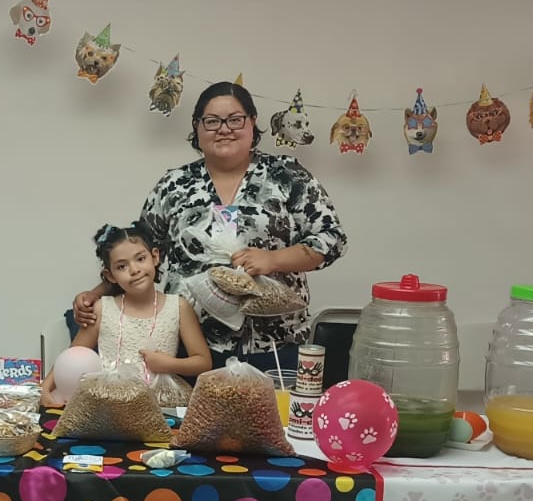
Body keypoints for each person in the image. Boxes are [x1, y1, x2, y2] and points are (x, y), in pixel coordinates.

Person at [74, 80, 347, 371]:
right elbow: (139, 252)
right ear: (197, 127)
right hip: (187, 345)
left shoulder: (286, 175)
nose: (224, 129)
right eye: (212, 121)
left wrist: (273, 259)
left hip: (273, 343)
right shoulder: (174, 185)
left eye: (235, 119)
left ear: (252, 122)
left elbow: (332, 238)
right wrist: (97, 294)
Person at [44, 222, 211, 407]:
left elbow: (203, 362)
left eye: (140, 259)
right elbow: (72, 354)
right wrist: (45, 387)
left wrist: (169, 364)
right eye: (122, 266)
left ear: (155, 257)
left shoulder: (179, 307)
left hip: (161, 403)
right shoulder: (102, 309)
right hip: (110, 402)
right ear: (110, 276)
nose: (134, 270)